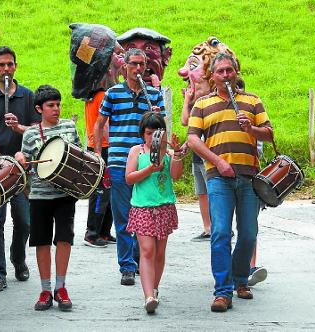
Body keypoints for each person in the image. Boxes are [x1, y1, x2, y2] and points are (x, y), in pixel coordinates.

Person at [187, 53, 273, 312]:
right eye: (220, 71)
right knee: (221, 232)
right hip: (218, 178)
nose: (226, 75)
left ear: (236, 72)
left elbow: (269, 134)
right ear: (212, 76)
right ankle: (223, 291)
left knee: (248, 234)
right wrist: (218, 162)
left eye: (229, 70)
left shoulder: (252, 100)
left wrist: (252, 130)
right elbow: (192, 139)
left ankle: (240, 278)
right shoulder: (202, 103)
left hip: (249, 176)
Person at [94, 48, 165, 286]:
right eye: (133, 64)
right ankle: (126, 265)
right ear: (124, 67)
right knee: (123, 216)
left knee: (144, 212)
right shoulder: (113, 93)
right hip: (118, 161)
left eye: (141, 65)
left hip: (147, 161)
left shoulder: (154, 94)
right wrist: (98, 155)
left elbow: (162, 129)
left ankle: (140, 258)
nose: (137, 69)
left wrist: (157, 117)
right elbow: (99, 123)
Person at [15, 85, 80, 311]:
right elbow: (25, 165)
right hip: (40, 196)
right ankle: (45, 290)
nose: (56, 109)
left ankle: (61, 288)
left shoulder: (69, 127)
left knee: (64, 239)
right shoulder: (31, 134)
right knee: (41, 242)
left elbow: (80, 157)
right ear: (39, 109)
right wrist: (21, 158)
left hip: (65, 195)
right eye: (51, 105)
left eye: (58, 104)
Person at [0, 46, 40, 292]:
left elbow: (37, 131)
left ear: (15, 66)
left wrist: (19, 130)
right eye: (1, 65)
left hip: (22, 168)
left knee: (25, 221)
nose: (6, 69)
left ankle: (18, 258)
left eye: (10, 65)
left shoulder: (27, 96)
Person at [178, 37, 240, 241]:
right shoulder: (200, 103)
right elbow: (190, 127)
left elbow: (186, 122)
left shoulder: (219, 103)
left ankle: (221, 226)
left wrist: (187, 101)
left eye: (193, 67)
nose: (184, 72)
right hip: (198, 155)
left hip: (212, 155)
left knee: (215, 191)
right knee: (202, 191)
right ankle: (208, 227)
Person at [69, 23, 124, 248]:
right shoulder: (100, 94)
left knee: (110, 191)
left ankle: (103, 231)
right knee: (101, 191)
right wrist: (102, 151)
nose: (121, 59)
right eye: (117, 55)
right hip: (101, 148)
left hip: (110, 147)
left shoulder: (106, 92)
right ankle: (92, 232)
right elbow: (102, 126)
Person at [125, 112, 184, 314]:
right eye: (148, 133)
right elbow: (129, 178)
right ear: (143, 134)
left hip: (164, 206)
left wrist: (177, 154)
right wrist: (149, 169)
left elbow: (175, 176)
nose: (152, 138)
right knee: (147, 250)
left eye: (156, 133)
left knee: (159, 252)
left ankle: (155, 289)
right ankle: (148, 295)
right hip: (142, 207)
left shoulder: (167, 153)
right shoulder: (136, 151)